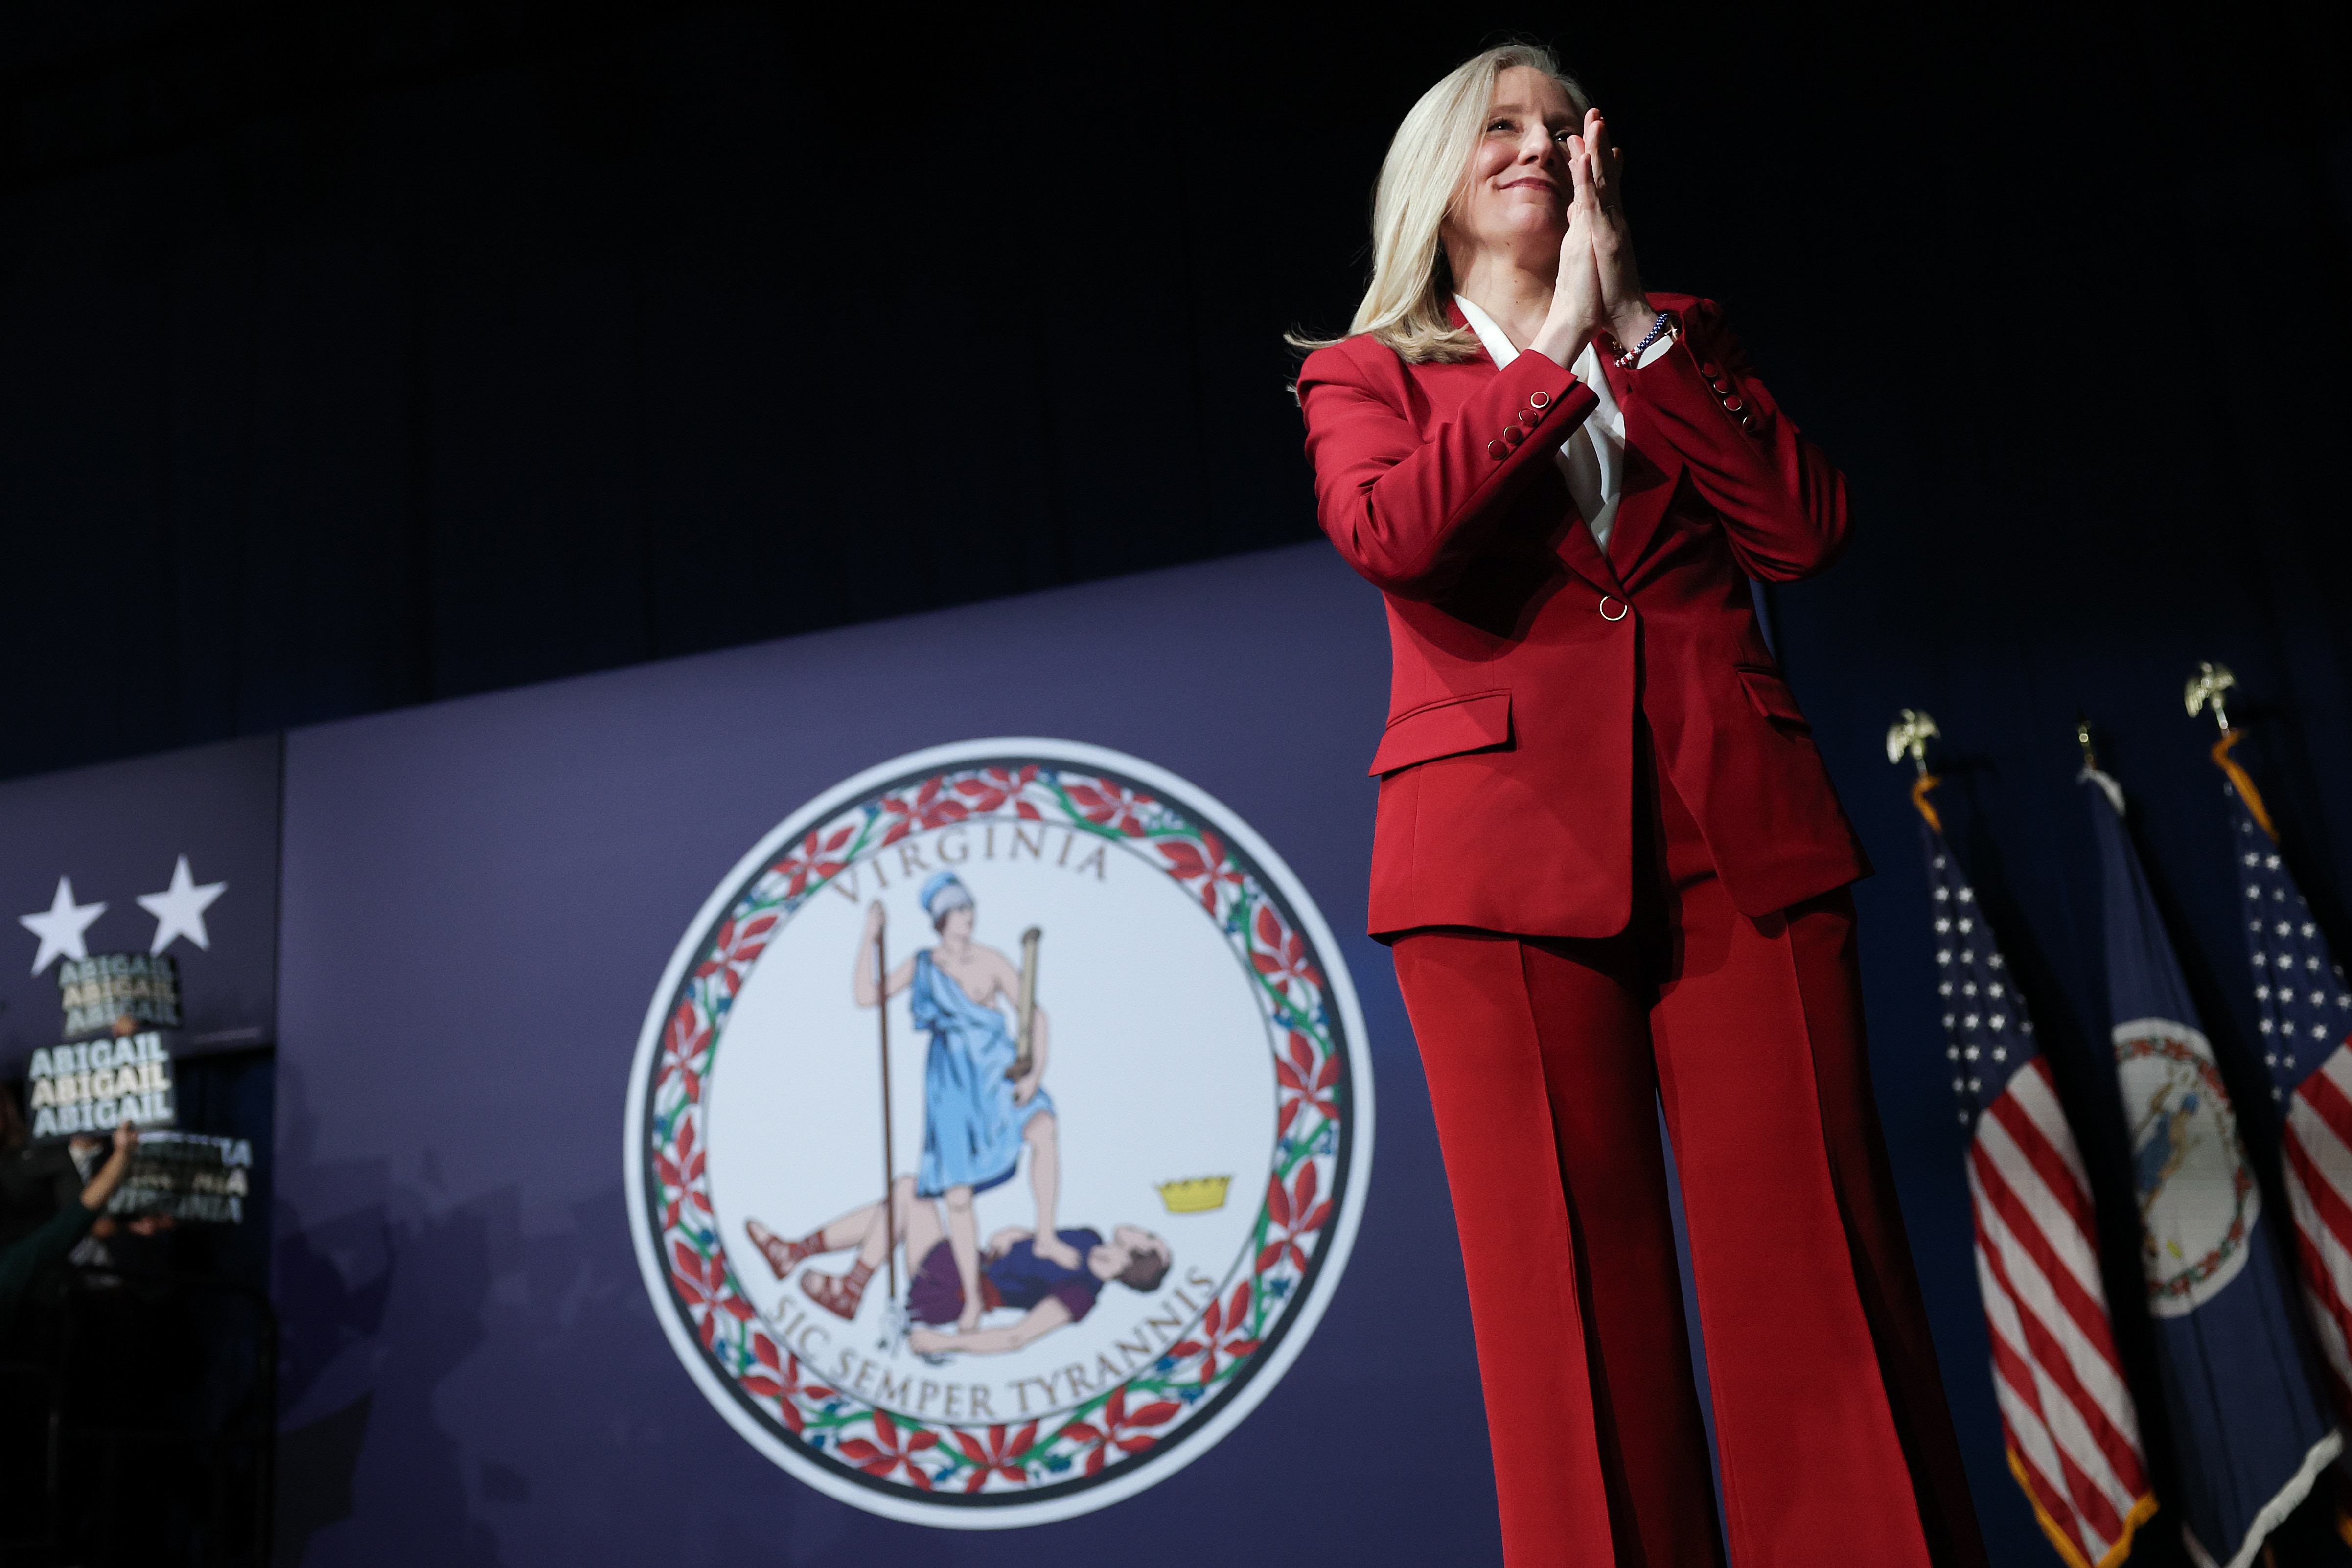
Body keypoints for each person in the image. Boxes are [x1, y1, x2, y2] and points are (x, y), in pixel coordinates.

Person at [1292, 43, 1984, 1568]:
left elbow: (1799, 533)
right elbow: (1395, 534)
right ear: (1435, 176)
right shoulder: (1365, 374)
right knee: (1570, 1311)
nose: (1537, 146)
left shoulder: (1680, 333)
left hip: (1738, 835)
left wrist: (1632, 338)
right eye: (1500, 125)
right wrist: (1550, 353)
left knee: (1815, 1268)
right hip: (1497, 873)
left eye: (1562, 124)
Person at [757, 1174, 1168, 1354]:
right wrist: (1018, 1235)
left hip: (954, 1291)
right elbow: (1035, 1247)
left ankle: (849, 1287)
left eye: (1149, 1238)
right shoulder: (1090, 1238)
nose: (1143, 1229)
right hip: (965, 1261)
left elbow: (1016, 1338)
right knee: (905, 1201)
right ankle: (796, 1256)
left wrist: (947, 1344)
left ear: (1138, 1260)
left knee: (908, 1194)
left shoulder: (1081, 1296)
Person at [0, 1121, 136, 1330]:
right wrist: (122, 1155)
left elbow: (75, 1219)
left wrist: (121, 1155)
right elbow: (78, 1217)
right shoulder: (9, 1271)